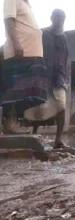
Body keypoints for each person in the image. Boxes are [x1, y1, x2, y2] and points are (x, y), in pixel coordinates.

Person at [24, 9, 68, 149]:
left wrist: (64, 75)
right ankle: (34, 135)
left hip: (58, 76)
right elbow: (34, 51)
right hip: (43, 74)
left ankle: (58, 141)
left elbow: (65, 57)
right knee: (40, 105)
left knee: (61, 105)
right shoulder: (42, 34)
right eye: (57, 17)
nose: (60, 20)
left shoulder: (64, 38)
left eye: (62, 18)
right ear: (51, 18)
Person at [1, 0, 46, 133]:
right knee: (12, 93)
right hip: (20, 53)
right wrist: (17, 44)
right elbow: (9, 21)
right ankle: (8, 125)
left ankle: (15, 124)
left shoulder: (26, 4)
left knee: (29, 94)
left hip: (31, 55)